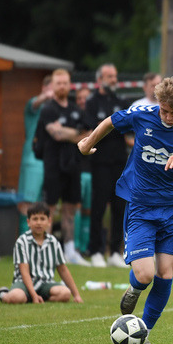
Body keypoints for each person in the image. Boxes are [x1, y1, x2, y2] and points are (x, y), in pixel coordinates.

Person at [78, 76, 173, 344]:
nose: (169, 117)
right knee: (146, 275)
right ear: (158, 103)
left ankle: (143, 332)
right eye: (165, 110)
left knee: (166, 273)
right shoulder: (142, 115)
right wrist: (88, 142)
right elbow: (112, 121)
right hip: (141, 205)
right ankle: (135, 287)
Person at [35, 68, 89, 266]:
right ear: (53, 85)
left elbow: (89, 133)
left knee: (70, 209)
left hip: (73, 164)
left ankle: (70, 251)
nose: (62, 87)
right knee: (49, 208)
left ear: (69, 85)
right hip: (53, 165)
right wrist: (76, 133)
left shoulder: (76, 109)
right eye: (58, 83)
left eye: (65, 83)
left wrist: (68, 132)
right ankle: (46, 251)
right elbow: (55, 134)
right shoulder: (48, 109)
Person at [81, 65, 129, 268]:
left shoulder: (121, 101)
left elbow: (126, 128)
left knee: (119, 207)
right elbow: (93, 127)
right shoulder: (91, 102)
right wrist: (110, 129)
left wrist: (109, 128)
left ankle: (115, 252)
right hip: (99, 162)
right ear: (100, 78)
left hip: (120, 162)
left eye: (115, 76)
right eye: (109, 76)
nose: (113, 80)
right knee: (99, 208)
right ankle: (97, 251)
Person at [0, 202, 84, 304]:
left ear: (49, 221)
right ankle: (4, 294)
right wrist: (34, 295)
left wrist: (76, 295)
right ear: (28, 222)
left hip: (46, 283)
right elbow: (24, 271)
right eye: (35, 219)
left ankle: (35, 299)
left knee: (65, 293)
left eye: (42, 219)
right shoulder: (22, 241)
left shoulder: (54, 242)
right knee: (15, 297)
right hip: (24, 283)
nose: (39, 223)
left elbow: (63, 270)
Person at [17, 74, 54, 232]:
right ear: (44, 88)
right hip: (33, 160)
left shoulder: (57, 108)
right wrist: (45, 97)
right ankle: (25, 242)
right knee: (28, 202)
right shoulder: (35, 104)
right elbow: (35, 103)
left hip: (51, 159)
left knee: (46, 204)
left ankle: (43, 245)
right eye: (53, 86)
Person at [74, 85, 94, 255]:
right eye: (79, 98)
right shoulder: (74, 116)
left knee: (89, 209)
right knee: (77, 207)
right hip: (77, 168)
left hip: (93, 168)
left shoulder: (95, 116)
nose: (82, 101)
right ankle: (76, 246)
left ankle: (86, 246)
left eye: (85, 98)